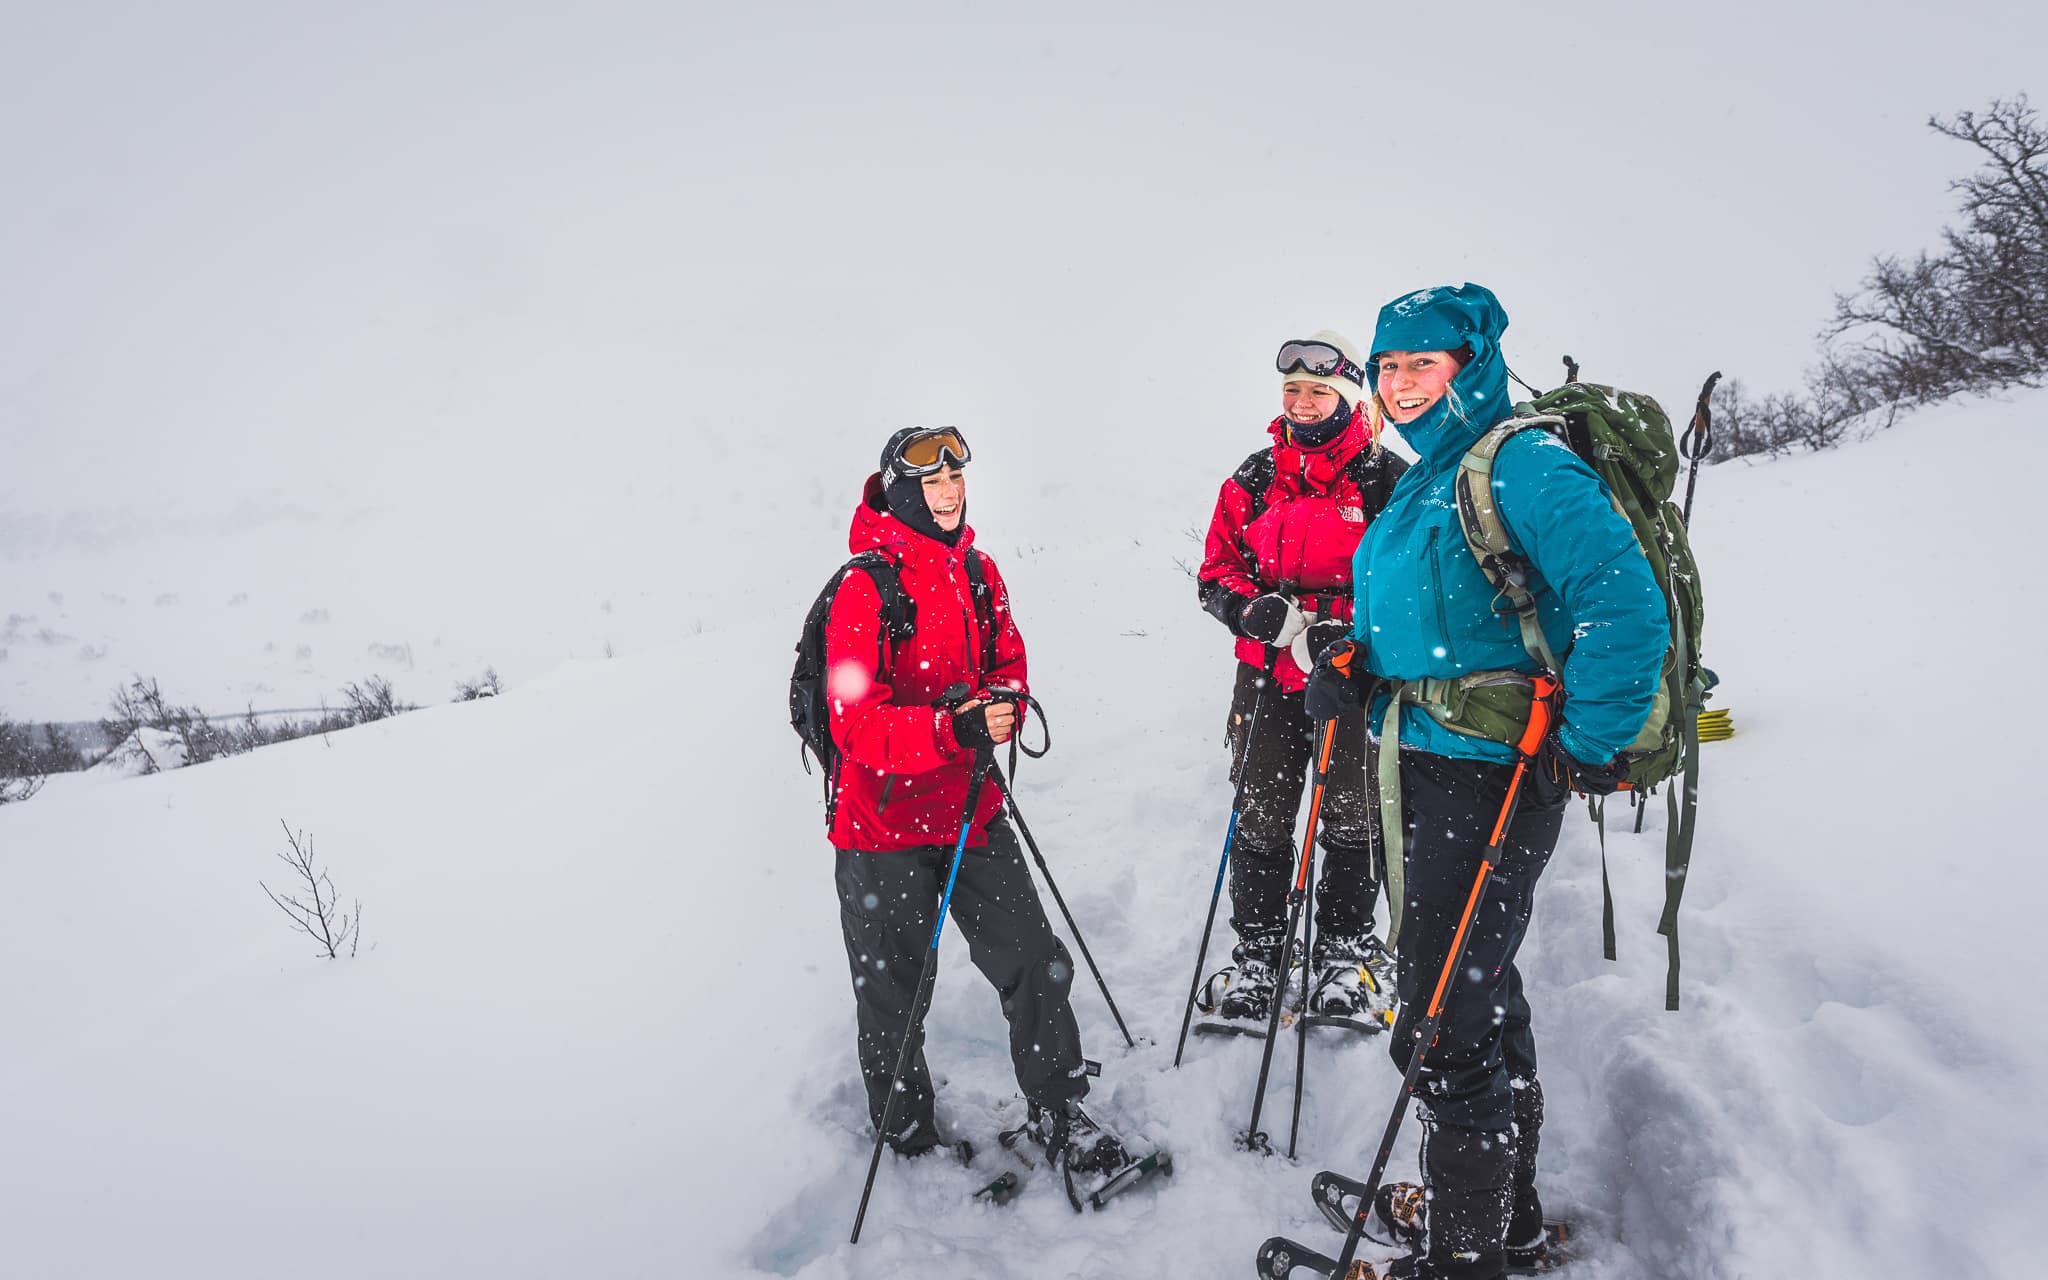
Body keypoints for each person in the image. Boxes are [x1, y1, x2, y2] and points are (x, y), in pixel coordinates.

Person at [1305, 285, 1667, 1279]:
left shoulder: (1519, 459)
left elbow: (1622, 602)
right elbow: (1444, 627)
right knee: (1477, 996)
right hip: (1424, 766)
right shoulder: (1424, 481)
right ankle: (1499, 1217)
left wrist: (1585, 743)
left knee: (1435, 1022)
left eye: (1419, 364)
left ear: (1469, 364)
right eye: (1385, 368)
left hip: (1487, 779)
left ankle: (1462, 1256)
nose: (1398, 384)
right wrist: (1355, 665)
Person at [824, 426, 1128, 1177]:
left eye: (957, 477)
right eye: (932, 482)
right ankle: (907, 1138)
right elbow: (853, 722)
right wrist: (949, 726)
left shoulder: (980, 573)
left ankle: (1058, 1104)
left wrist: (1004, 707)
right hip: (883, 827)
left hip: (970, 811)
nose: (951, 491)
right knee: (895, 993)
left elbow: (1010, 667)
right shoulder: (864, 587)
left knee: (1034, 960)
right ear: (902, 491)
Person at [1195, 332, 1408, 1025]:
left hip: (1350, 673)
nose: (1303, 403)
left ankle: (1346, 951)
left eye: (1318, 391)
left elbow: (1411, 584)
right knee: (1260, 811)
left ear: (1348, 397)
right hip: (1264, 675)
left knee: (1352, 809)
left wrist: (1347, 631)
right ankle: (1260, 952)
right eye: (1292, 391)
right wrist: (1247, 610)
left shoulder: (1386, 479)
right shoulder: (1254, 478)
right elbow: (1215, 570)